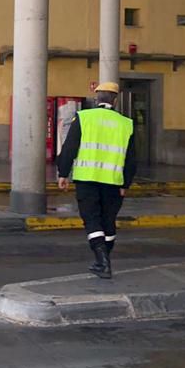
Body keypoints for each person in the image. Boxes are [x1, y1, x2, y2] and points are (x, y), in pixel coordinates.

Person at [56, 82, 137, 279]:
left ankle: (102, 261)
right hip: (113, 182)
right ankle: (104, 259)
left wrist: (63, 173)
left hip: (87, 180)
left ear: (96, 99)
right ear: (115, 101)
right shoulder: (126, 124)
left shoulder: (84, 118)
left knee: (92, 220)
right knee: (108, 221)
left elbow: (69, 148)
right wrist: (125, 183)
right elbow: (131, 159)